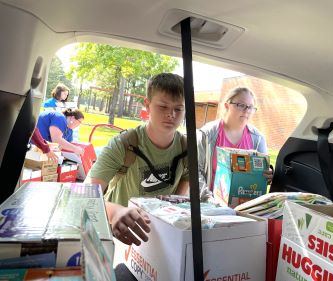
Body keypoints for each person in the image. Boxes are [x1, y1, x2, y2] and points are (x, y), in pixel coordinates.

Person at [84, 73, 189, 246]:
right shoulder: (123, 145)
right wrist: (115, 212)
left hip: (161, 237)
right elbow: (87, 194)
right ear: (147, 105)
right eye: (163, 106)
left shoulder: (187, 149)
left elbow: (184, 188)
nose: (171, 114)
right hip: (120, 236)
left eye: (178, 109)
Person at [197, 87, 273, 200]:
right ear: (227, 106)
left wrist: (268, 176)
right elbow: (195, 171)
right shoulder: (207, 134)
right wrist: (208, 200)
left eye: (250, 107)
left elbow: (264, 177)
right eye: (241, 105)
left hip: (245, 206)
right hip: (210, 204)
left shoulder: (258, 139)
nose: (246, 110)